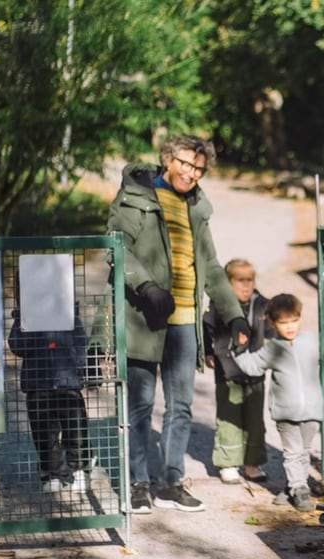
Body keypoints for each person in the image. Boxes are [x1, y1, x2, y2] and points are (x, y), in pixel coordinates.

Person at [107, 135, 248, 514]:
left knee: (180, 406)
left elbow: (212, 266)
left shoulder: (197, 207)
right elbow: (117, 248)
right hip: (144, 317)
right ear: (168, 160)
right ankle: (137, 483)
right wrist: (147, 287)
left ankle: (170, 482)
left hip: (185, 320)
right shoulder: (136, 196)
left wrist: (234, 314)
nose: (191, 173)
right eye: (186, 164)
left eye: (199, 168)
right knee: (139, 406)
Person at [233, 294, 324, 512]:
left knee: (304, 451)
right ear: (273, 323)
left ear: (300, 318)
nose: (290, 327)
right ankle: (300, 489)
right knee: (293, 452)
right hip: (286, 411)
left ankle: (292, 486)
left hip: (312, 409)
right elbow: (252, 366)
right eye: (283, 323)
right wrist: (239, 348)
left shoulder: (312, 341)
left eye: (293, 321)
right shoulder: (272, 348)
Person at [203, 259, 272, 485]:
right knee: (229, 418)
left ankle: (253, 464)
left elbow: (274, 328)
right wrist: (208, 352)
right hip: (227, 371)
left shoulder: (262, 305)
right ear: (228, 283)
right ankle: (228, 464)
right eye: (240, 281)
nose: (246, 286)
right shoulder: (220, 305)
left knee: (255, 419)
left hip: (255, 372)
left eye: (249, 280)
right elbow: (206, 327)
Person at [8, 302, 90, 493]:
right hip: (38, 383)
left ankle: (79, 469)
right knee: (44, 433)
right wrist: (22, 318)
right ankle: (52, 474)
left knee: (76, 430)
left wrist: (78, 368)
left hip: (67, 382)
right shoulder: (27, 313)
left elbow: (81, 342)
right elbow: (17, 346)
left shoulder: (68, 310)